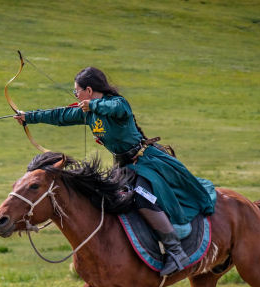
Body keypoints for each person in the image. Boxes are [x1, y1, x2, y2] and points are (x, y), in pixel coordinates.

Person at [14, 67, 215, 276]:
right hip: (124, 167)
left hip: (147, 162)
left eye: (77, 92)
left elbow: (115, 108)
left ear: (89, 91)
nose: (76, 96)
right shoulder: (88, 112)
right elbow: (60, 115)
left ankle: (176, 251)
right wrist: (28, 117)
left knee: (141, 197)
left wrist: (92, 105)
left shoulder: (118, 104)